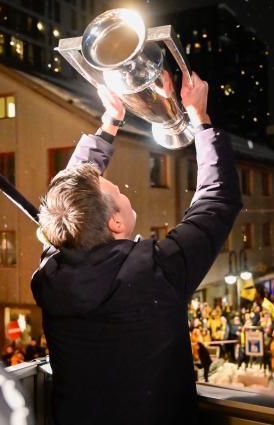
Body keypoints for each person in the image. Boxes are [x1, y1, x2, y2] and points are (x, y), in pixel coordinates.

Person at [31, 72, 242, 425]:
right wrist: (200, 116)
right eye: (117, 191)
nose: (123, 192)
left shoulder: (51, 272)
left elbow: (65, 199)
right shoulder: (155, 272)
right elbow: (216, 200)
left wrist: (111, 122)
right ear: (115, 222)